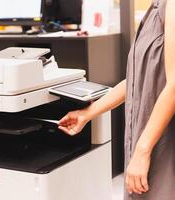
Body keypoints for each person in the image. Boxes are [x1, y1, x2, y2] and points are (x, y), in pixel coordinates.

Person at [58, 0, 175, 199]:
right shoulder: (155, 9)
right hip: (148, 136)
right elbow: (137, 80)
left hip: (161, 143)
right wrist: (87, 113)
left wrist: (142, 151)